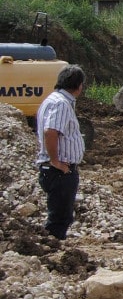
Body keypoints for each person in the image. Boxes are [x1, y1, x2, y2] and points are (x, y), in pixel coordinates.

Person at [35, 64, 87, 240]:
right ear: (79, 85)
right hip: (59, 171)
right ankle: (51, 252)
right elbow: (51, 131)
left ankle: (51, 247)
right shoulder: (62, 103)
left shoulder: (52, 100)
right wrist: (55, 161)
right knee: (59, 218)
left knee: (61, 215)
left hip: (56, 170)